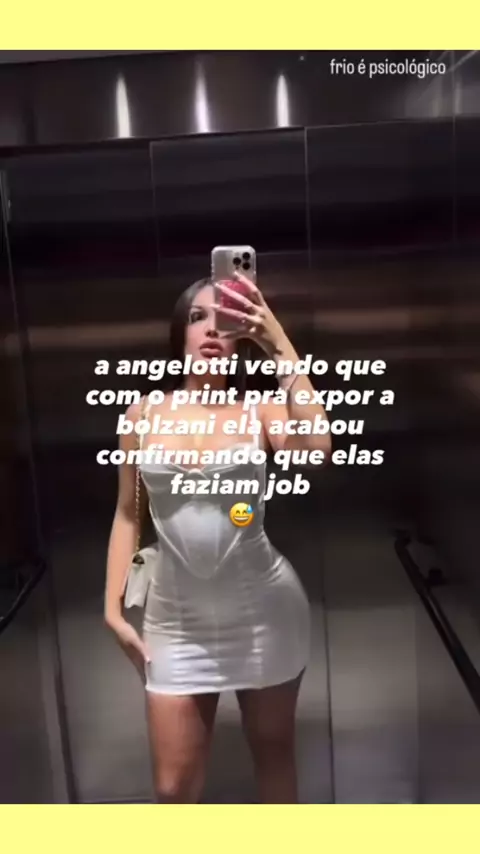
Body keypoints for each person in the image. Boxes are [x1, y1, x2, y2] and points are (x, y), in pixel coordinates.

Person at [104, 270, 332, 803]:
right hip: (175, 620)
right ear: (179, 334)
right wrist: (112, 608)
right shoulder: (142, 414)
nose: (210, 329)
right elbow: (128, 514)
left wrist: (277, 340)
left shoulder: (262, 411)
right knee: (172, 788)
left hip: (264, 614)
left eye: (225, 320)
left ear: (241, 338)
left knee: (273, 756)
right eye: (196, 317)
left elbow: (318, 448)